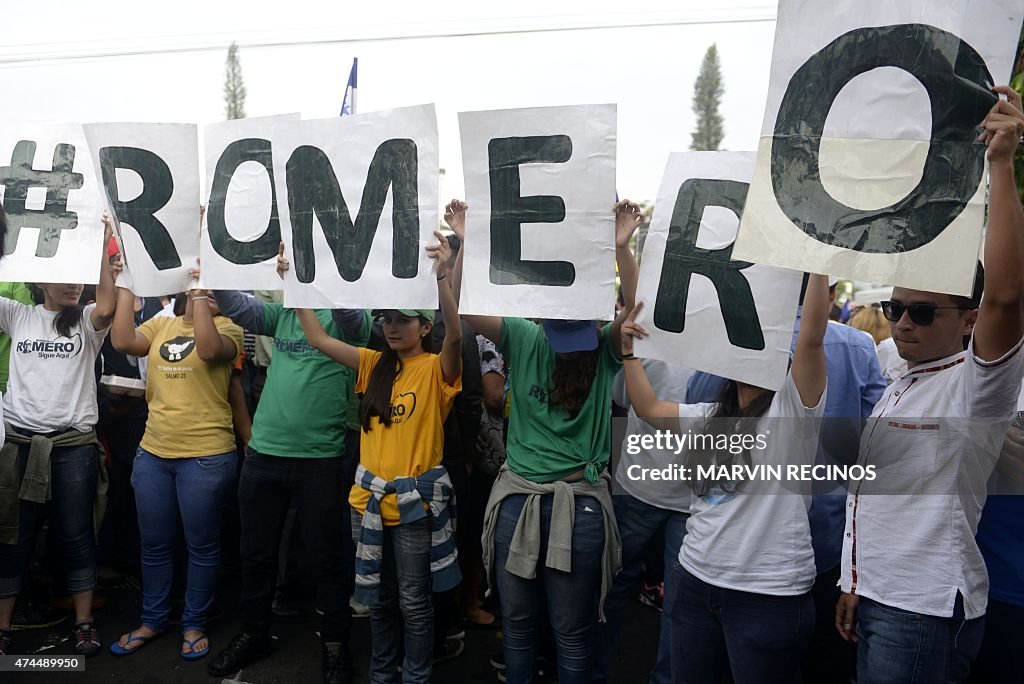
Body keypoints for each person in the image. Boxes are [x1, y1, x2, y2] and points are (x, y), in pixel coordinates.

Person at [835, 86, 1024, 684]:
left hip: (924, 614)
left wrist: (1000, 164)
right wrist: (852, 582)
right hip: (878, 600)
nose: (903, 323)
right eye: (895, 309)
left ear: (968, 320)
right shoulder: (898, 379)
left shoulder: (977, 388)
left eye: (923, 312)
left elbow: (1007, 295)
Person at [456, 197, 639, 683]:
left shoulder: (603, 352)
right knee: (533, 629)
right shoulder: (525, 336)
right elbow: (466, 308)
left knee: (563, 631)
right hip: (527, 502)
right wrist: (469, 243)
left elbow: (640, 312)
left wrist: (622, 247)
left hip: (571, 507)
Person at [624, 272, 829, 684]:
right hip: (694, 580)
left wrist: (817, 260)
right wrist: (629, 352)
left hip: (768, 597)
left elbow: (811, 338)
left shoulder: (794, 412)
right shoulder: (709, 416)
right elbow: (647, 408)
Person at [296, 230, 462, 684]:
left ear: (425, 327)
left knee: (413, 599)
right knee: (379, 600)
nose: (392, 327)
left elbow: (457, 335)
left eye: (404, 320)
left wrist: (444, 275)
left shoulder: (435, 368)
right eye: (387, 318)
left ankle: (416, 675)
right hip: (366, 503)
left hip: (413, 507)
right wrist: (297, 282)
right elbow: (316, 336)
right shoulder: (373, 364)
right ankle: (381, 673)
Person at [207, 245, 371, 684]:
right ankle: (255, 631)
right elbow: (238, 307)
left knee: (328, 558)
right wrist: (215, 266)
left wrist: (309, 279)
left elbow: (354, 319)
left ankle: (335, 643)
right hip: (264, 452)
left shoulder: (352, 317)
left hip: (320, 457)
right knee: (255, 554)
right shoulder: (283, 313)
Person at [107, 256, 243, 661]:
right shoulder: (163, 323)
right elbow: (122, 341)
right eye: (202, 288)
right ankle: (153, 619)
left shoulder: (229, 328)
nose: (208, 294)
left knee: (201, 545)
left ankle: (194, 623)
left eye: (214, 290)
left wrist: (201, 290)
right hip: (154, 454)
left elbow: (206, 347)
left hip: (206, 455)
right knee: (154, 545)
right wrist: (128, 280)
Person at [0, 213, 117, 657]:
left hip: (71, 447)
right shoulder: (17, 315)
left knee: (75, 534)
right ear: (39, 279)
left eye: (81, 277)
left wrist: (105, 244)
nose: (75, 285)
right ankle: (4, 626)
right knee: (12, 536)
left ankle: (84, 622)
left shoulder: (87, 321)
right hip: (19, 446)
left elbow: (107, 306)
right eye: (64, 277)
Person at [594, 356, 694, 684]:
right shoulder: (727, 343)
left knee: (616, 581)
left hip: (641, 480)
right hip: (694, 493)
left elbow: (622, 395)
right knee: (679, 601)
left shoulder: (650, 336)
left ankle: (596, 672)